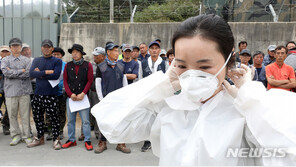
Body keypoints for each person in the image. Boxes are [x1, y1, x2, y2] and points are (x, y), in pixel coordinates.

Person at [92, 14, 296, 166]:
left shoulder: (243, 114)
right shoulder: (170, 107)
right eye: (182, 65)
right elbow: (112, 123)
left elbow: (287, 152)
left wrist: (251, 99)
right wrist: (163, 85)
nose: (192, 74)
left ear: (228, 60)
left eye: (205, 67)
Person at [93, 42, 130, 154]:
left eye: (117, 51)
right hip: (106, 99)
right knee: (105, 121)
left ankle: (120, 143)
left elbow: (124, 81)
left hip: (119, 99)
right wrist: (101, 99)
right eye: (114, 51)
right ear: (108, 52)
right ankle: (102, 143)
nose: (117, 53)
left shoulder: (121, 66)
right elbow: (98, 83)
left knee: (120, 121)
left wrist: (126, 95)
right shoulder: (101, 66)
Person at [28, 39, 62, 150]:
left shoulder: (57, 61)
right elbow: (31, 74)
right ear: (42, 48)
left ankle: (56, 139)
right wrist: (47, 72)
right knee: (37, 117)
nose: (46, 49)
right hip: (38, 93)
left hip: (51, 94)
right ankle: (40, 137)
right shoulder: (37, 60)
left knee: (54, 118)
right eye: (44, 47)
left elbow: (56, 75)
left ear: (52, 48)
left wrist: (40, 73)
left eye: (49, 47)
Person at [62, 44, 94, 151]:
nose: (74, 54)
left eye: (77, 52)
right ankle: (71, 140)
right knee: (70, 120)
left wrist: (83, 93)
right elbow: (65, 81)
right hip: (71, 98)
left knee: (85, 121)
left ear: (81, 53)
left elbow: (90, 80)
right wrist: (70, 94)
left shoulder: (87, 65)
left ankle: (87, 140)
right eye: (73, 52)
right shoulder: (68, 65)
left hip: (83, 97)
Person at [1, 38, 33, 146]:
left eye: (18, 46)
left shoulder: (26, 60)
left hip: (24, 91)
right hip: (11, 91)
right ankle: (15, 136)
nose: (16, 48)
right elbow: (6, 73)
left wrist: (13, 72)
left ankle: (26, 135)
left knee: (25, 115)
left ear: (21, 48)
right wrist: (21, 71)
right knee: (12, 115)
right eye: (13, 46)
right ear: (10, 48)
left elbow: (28, 73)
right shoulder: (5, 60)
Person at [50, 47, 67, 140]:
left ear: (61, 56)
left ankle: (60, 131)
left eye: (58, 55)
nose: (56, 56)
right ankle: (50, 131)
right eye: (54, 54)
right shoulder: (48, 64)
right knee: (50, 113)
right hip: (50, 92)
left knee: (61, 113)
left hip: (61, 92)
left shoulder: (66, 65)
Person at [0, 46, 10, 135]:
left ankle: (6, 125)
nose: (5, 54)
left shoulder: (11, 62)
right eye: (3, 52)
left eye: (7, 52)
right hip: (0, 89)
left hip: (9, 89)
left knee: (10, 109)